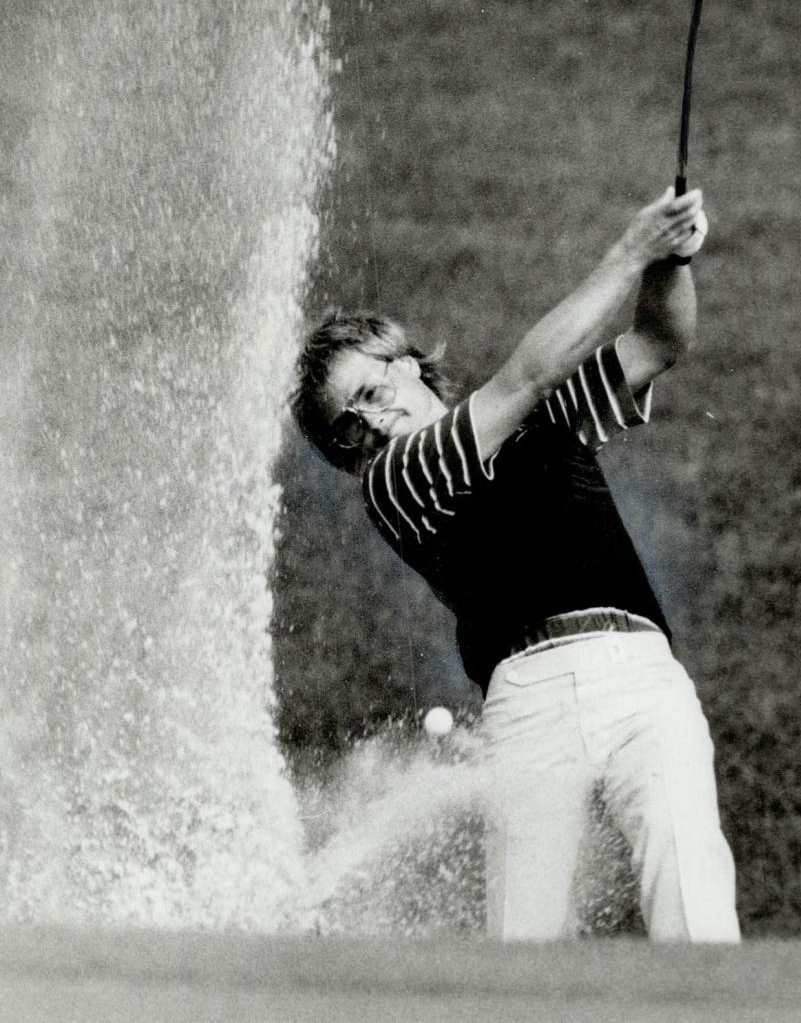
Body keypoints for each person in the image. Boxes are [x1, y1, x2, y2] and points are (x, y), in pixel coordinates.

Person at [291, 186, 740, 943]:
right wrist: (631, 249)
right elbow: (526, 376)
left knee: (693, 900)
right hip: (528, 701)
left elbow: (659, 340)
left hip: (638, 670)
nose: (368, 422)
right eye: (346, 426)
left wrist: (674, 256)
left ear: (409, 365)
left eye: (369, 391)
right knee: (525, 943)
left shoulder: (544, 423)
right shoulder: (396, 482)